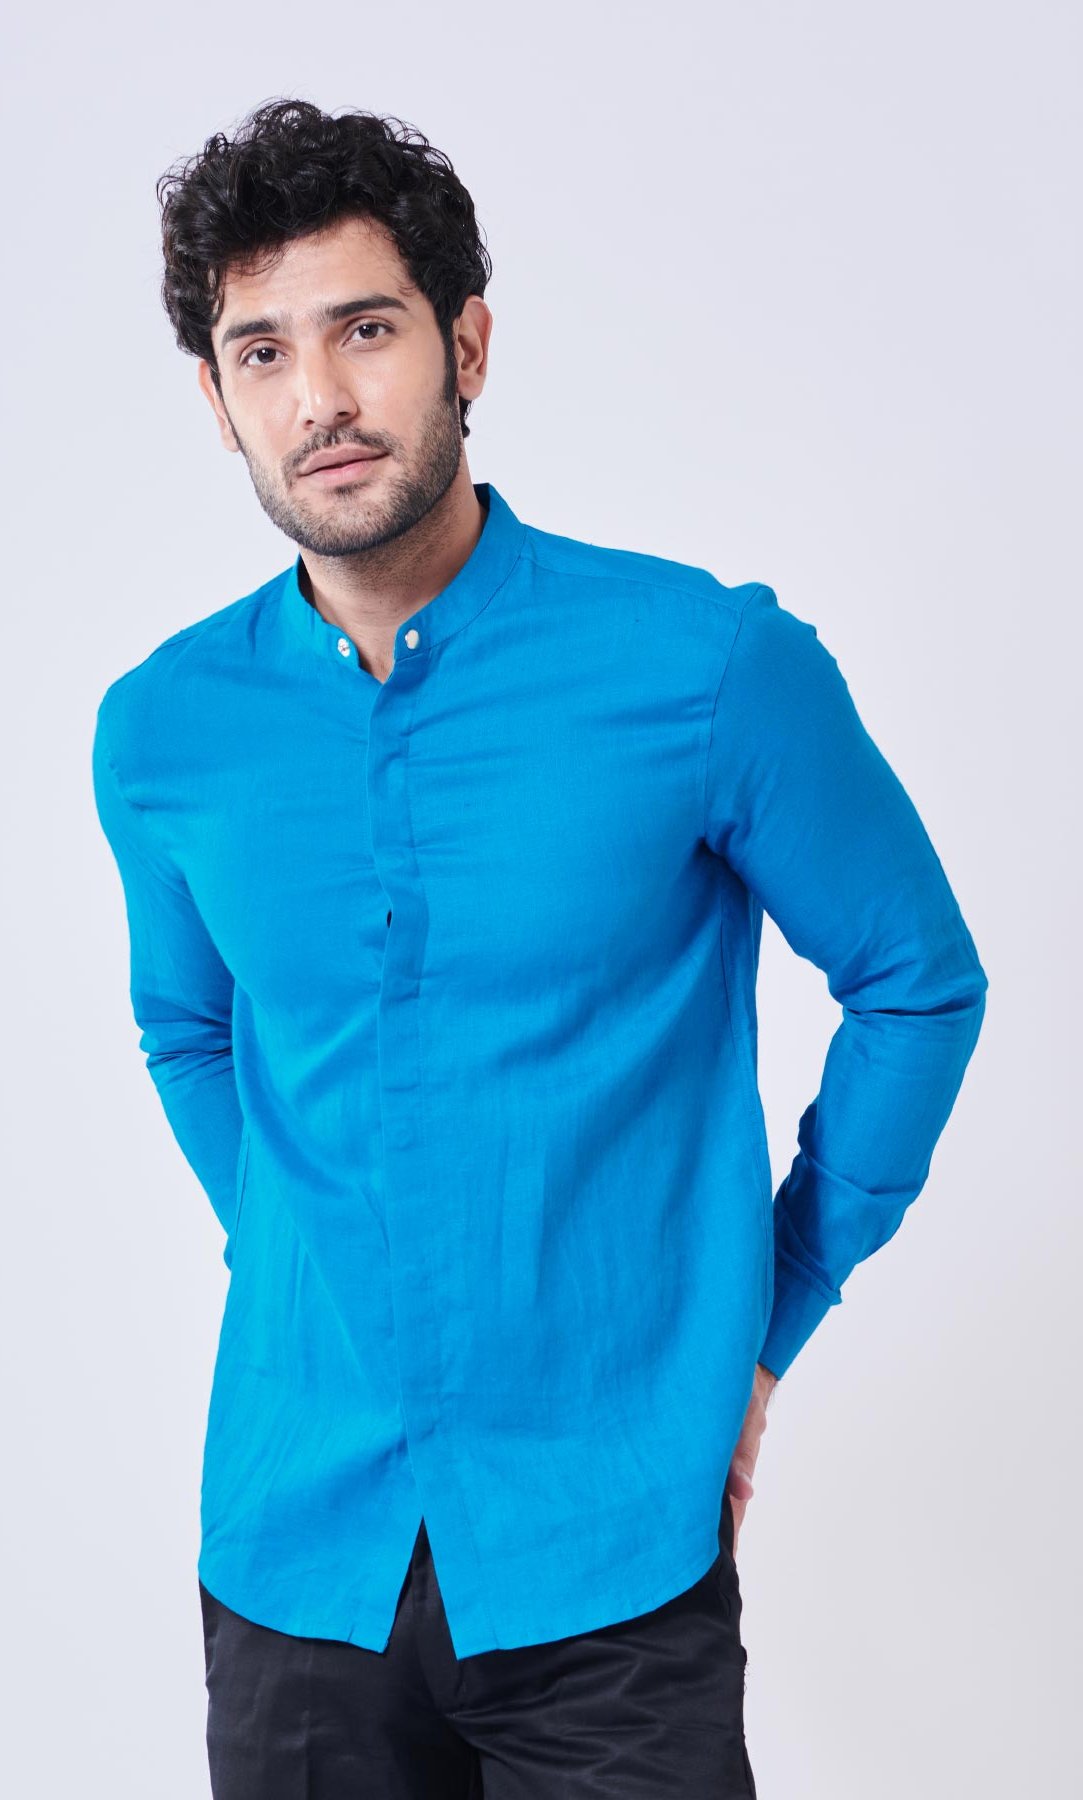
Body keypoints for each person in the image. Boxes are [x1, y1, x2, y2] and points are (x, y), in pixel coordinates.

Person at [92, 96, 988, 1799]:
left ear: (468, 346)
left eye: (366, 330)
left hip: (610, 1567)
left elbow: (918, 984)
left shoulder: (706, 665)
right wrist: (309, 1246)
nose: (319, 397)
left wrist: (771, 1314)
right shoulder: (161, 733)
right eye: (262, 351)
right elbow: (188, 1031)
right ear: (216, 400)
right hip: (293, 1561)